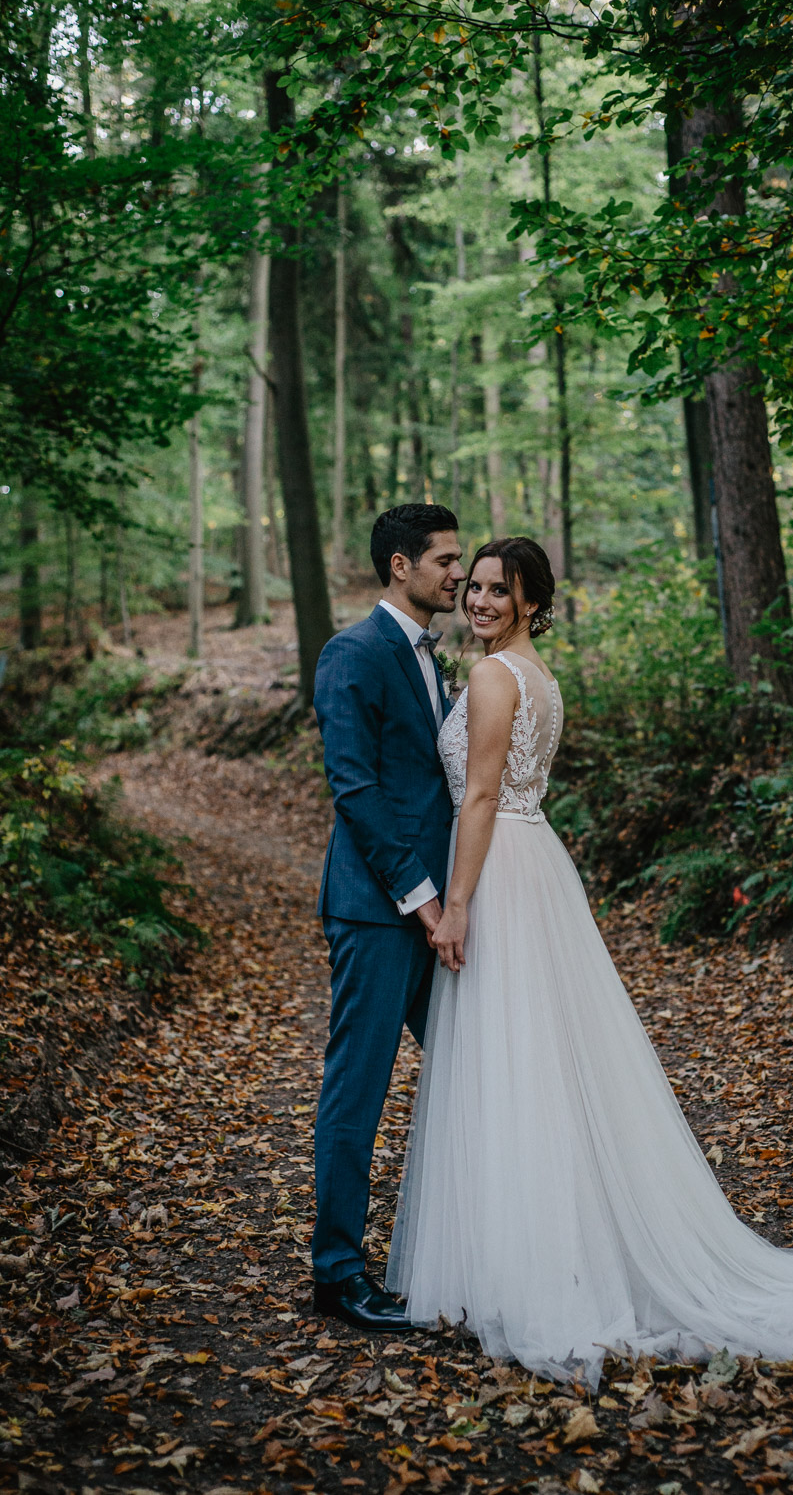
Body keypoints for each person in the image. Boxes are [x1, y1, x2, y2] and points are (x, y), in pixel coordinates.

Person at [386, 536, 793, 1388]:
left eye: (499, 590)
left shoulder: (493, 677)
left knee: (516, 1063)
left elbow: (483, 795)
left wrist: (454, 907)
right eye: (476, 586)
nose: (480, 600)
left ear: (531, 602)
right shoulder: (535, 676)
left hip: (498, 871)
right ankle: (548, 1252)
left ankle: (536, 1272)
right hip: (533, 865)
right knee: (542, 1064)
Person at [311, 504, 465, 1331]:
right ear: (400, 566)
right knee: (356, 1095)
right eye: (444, 559)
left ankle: (481, 1243)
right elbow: (357, 791)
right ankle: (336, 1274)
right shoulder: (354, 654)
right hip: (378, 915)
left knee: (480, 1071)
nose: (457, 573)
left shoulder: (428, 660)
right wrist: (424, 898)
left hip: (436, 916)